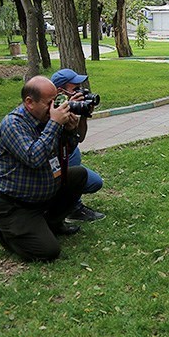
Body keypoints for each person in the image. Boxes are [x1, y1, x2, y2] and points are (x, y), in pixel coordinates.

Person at [0, 76, 87, 261]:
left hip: (43, 196)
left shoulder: (44, 119)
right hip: (15, 205)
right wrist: (55, 124)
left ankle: (52, 223)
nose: (53, 108)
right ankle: (2, 230)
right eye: (49, 103)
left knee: (79, 175)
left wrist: (70, 131)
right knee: (48, 251)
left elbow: (62, 152)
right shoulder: (13, 124)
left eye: (55, 101)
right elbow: (34, 158)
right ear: (29, 102)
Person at [50, 68, 106, 222]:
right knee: (71, 156)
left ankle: (67, 203)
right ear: (60, 91)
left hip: (63, 164)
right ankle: (73, 208)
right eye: (75, 89)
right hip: (47, 170)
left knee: (95, 182)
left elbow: (79, 138)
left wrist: (84, 115)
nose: (80, 92)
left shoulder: (71, 108)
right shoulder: (51, 110)